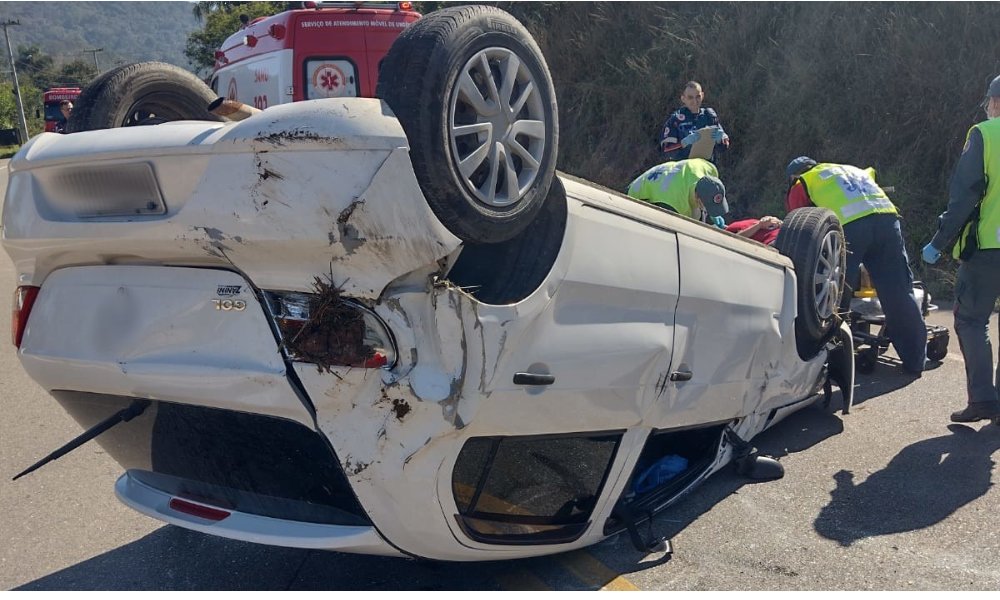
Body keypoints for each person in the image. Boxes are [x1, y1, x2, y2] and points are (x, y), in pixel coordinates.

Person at [786, 157, 927, 375]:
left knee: (834, 293)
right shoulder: (849, 170)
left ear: (794, 176)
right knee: (898, 291)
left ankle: (829, 360)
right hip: (887, 220)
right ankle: (915, 360)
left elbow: (800, 229)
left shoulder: (803, 182)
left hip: (851, 225)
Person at [920, 74, 1000, 423]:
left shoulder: (985, 134)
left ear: (996, 102)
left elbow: (965, 196)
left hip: (988, 249)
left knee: (970, 320)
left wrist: (938, 243)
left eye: (988, 103)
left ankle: (982, 400)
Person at [626, 157, 729, 227]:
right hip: (633, 196)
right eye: (707, 206)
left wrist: (713, 213)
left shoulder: (709, 168)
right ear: (697, 197)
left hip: (665, 181)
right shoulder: (674, 206)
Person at [658, 81, 730, 163]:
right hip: (684, 169)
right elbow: (666, 150)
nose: (695, 101)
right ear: (683, 98)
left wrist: (720, 140)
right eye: (690, 97)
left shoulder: (709, 116)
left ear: (702, 96)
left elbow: (725, 145)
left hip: (706, 168)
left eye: (698, 97)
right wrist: (683, 143)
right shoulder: (675, 120)